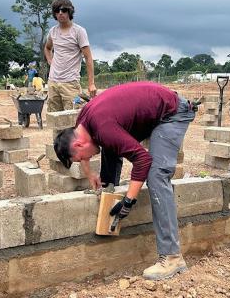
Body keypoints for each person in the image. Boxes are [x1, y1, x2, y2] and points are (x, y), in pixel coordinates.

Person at [54, 81, 195, 280]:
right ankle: (108, 188)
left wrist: (129, 201)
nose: (86, 160)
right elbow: (93, 146)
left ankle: (172, 257)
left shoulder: (103, 128)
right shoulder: (83, 123)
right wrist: (91, 175)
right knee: (108, 146)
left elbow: (142, 160)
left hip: (173, 114)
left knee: (156, 176)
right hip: (156, 107)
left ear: (78, 143)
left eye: (81, 158)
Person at [44, 0, 96, 112]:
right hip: (53, 82)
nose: (60, 13)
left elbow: (88, 58)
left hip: (70, 83)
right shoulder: (53, 31)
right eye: (57, 11)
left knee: (72, 120)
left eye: (63, 10)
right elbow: (47, 48)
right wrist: (50, 60)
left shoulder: (79, 31)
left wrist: (91, 83)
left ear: (69, 11)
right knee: (55, 121)